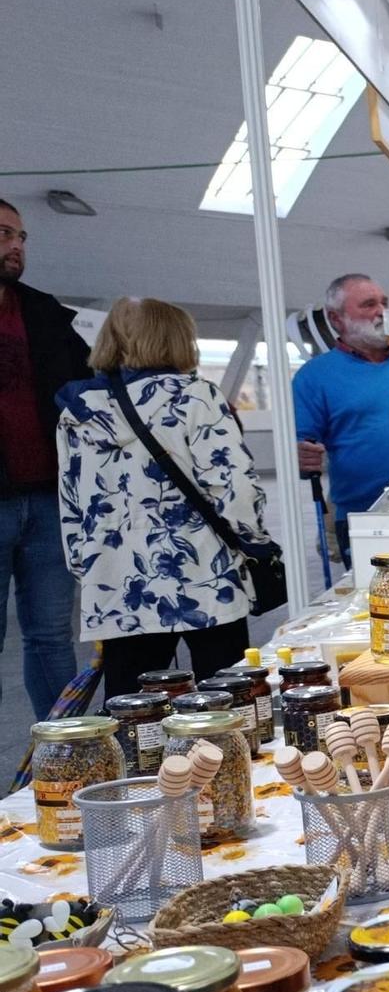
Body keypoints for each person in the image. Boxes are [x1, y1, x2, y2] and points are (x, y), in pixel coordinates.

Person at [57, 298, 271, 697]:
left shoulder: (78, 408)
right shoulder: (196, 397)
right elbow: (233, 486)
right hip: (205, 571)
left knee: (135, 709)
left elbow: (71, 504)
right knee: (227, 696)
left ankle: (150, 760)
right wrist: (254, 539)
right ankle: (226, 760)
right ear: (175, 339)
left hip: (118, 580)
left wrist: (90, 569)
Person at [0, 197, 86, 717]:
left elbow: (92, 384)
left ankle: (67, 754)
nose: (16, 246)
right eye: (5, 234)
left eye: (22, 237)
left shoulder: (45, 313)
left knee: (52, 636)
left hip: (48, 500)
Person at [293, 272, 389, 562]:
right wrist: (298, 454)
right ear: (336, 319)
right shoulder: (314, 377)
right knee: (376, 603)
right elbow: (298, 445)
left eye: (384, 302)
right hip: (365, 516)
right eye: (368, 304)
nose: (381, 311)